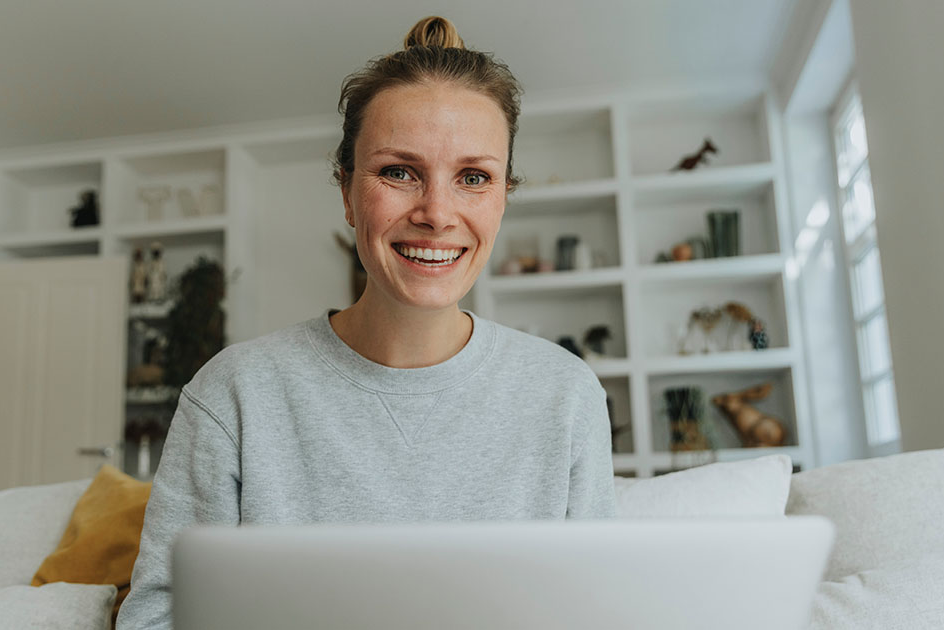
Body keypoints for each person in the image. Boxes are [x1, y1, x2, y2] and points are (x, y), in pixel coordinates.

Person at [117, 16, 616, 629]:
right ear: (348, 193)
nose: (437, 213)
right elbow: (157, 618)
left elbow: (594, 610)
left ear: (503, 197)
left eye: (473, 177)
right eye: (398, 172)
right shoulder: (235, 394)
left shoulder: (565, 395)